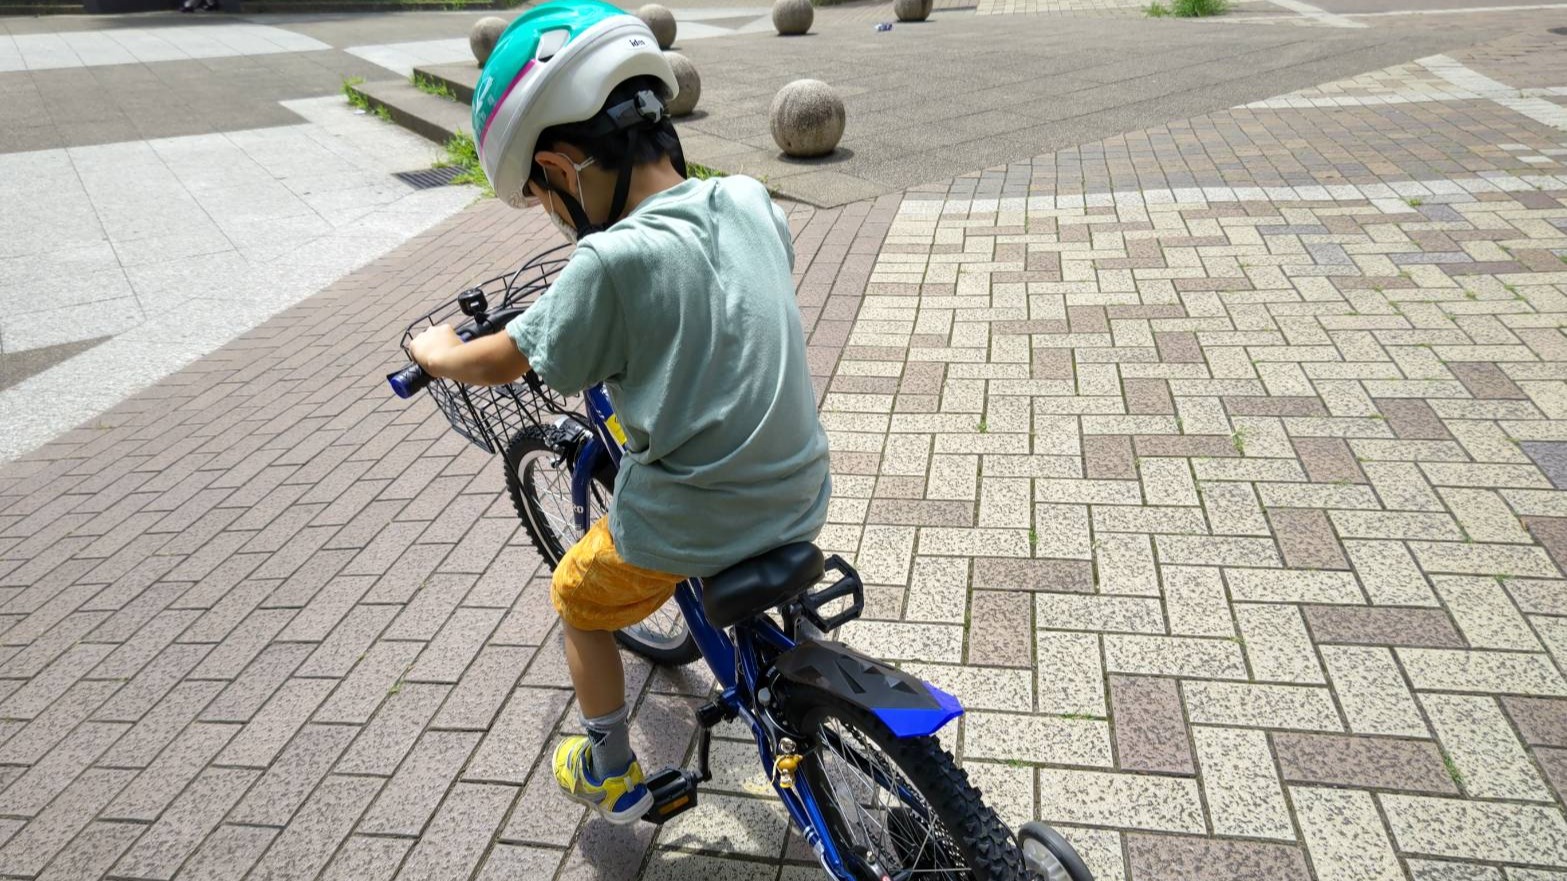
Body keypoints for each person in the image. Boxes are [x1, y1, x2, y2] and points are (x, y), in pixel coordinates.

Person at [408, 0, 830, 825]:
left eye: (539, 197)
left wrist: (434, 352)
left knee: (574, 597)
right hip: (801, 484)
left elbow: (506, 357)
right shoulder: (745, 196)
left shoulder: (608, 259)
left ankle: (608, 769)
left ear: (564, 166)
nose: (550, 216)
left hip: (694, 519)